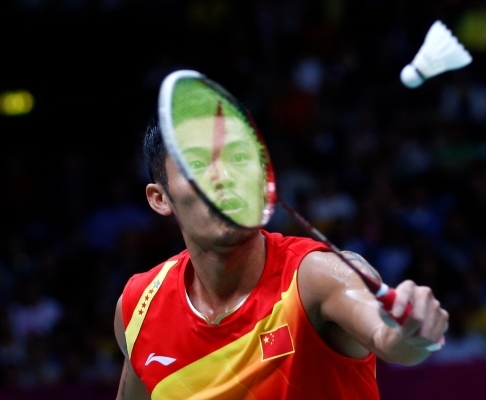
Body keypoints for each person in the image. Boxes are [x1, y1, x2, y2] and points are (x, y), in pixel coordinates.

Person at [114, 85, 449, 400]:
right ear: (160, 198)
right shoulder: (139, 308)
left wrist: (409, 333)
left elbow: (388, 337)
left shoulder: (315, 279)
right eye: (197, 164)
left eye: (238, 158)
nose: (224, 178)